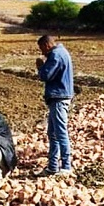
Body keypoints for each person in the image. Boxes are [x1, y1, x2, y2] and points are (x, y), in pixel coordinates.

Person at [35, 35, 74, 176]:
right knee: (52, 133)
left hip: (59, 97)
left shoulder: (55, 55)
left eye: (41, 48)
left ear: (47, 45)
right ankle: (52, 166)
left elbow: (46, 76)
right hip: (60, 96)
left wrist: (40, 66)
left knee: (60, 133)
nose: (42, 52)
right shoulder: (62, 51)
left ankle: (66, 166)